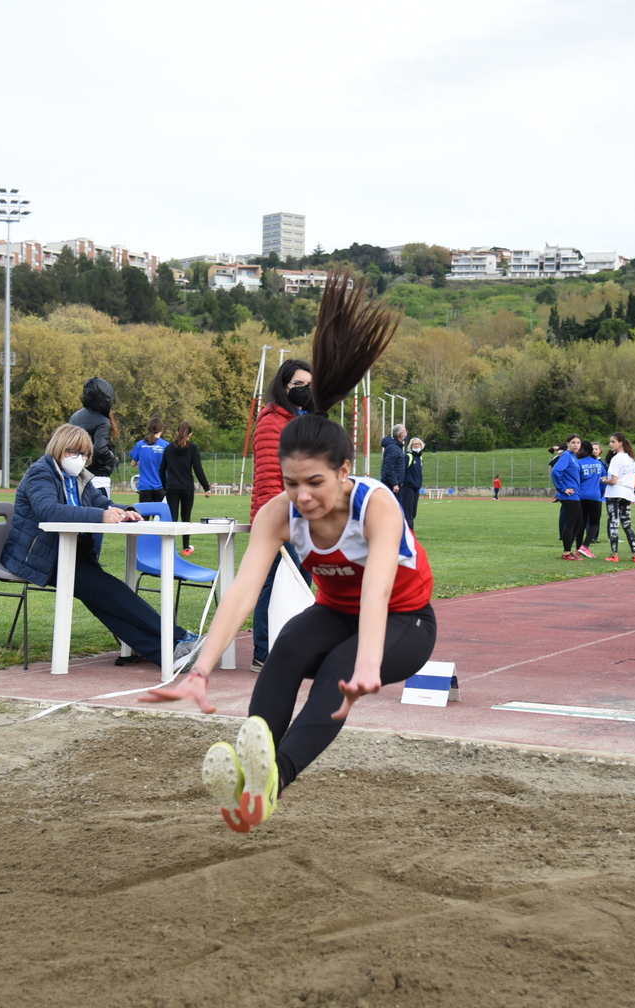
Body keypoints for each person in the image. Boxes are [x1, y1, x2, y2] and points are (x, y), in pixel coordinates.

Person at [142, 270, 433, 833]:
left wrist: (368, 663)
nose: (303, 497)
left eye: (316, 483)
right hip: (336, 613)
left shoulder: (377, 506)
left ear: (344, 472)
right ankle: (252, 779)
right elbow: (241, 593)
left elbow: (378, 593)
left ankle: (277, 780)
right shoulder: (280, 513)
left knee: (339, 667)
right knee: (288, 646)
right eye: (293, 482)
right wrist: (200, 670)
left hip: (405, 621)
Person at [0, 424, 200, 669]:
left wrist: (125, 511)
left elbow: (102, 502)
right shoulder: (41, 473)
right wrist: (100, 516)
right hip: (41, 556)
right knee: (111, 592)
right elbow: (48, 510)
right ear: (59, 448)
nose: (80, 459)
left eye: (85, 454)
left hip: (73, 552)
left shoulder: (80, 477)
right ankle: (179, 638)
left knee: (105, 600)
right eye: (74, 452)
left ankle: (167, 653)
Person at [249, 358, 315, 671]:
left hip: (308, 518)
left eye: (309, 385)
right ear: (283, 386)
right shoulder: (272, 421)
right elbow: (267, 477)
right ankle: (264, 652)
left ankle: (292, 648)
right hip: (281, 519)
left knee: (300, 584)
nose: (305, 390)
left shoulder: (305, 420)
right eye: (298, 385)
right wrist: (276, 523)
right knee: (274, 583)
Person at [161, 421, 212, 555]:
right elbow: (198, 469)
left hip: (172, 487)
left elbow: (162, 469)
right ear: (190, 434)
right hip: (187, 487)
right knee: (186, 517)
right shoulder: (193, 449)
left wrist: (165, 486)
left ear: (177, 432)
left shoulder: (169, 448)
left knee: (172, 518)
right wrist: (206, 487)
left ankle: (170, 547)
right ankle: (185, 548)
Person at [69, 377, 120, 495]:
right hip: (98, 478)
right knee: (102, 506)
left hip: (77, 475)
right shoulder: (102, 420)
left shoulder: (75, 417)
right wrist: (111, 458)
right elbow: (100, 449)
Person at [602, 433, 635, 563]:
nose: (610, 444)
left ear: (620, 443)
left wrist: (604, 480)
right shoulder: (631, 459)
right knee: (627, 524)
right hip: (627, 493)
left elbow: (614, 481)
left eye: (613, 441)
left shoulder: (616, 459)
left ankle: (614, 554)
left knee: (614, 522)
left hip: (615, 493)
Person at [552, 434, 584, 559]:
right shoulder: (566, 456)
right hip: (569, 496)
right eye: (573, 442)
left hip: (575, 495)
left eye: (578, 442)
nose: (576, 445)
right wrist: (562, 489)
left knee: (579, 523)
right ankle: (566, 552)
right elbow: (556, 471)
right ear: (567, 444)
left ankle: (568, 550)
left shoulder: (573, 457)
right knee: (570, 524)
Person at [575, 441, 606, 558]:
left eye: (580, 449)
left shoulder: (578, 464)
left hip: (581, 496)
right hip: (595, 497)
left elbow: (575, 480)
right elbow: (603, 480)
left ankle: (578, 548)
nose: (578, 451)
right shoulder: (599, 464)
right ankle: (585, 546)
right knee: (594, 523)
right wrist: (601, 493)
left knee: (581, 524)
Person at [130, 416, 167, 503]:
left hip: (145, 486)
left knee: (144, 512)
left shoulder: (140, 444)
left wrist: (142, 462)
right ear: (162, 429)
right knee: (159, 511)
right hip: (161, 486)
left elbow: (133, 463)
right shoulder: (166, 445)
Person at [401, 437, 424, 530]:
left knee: (413, 512)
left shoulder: (420, 458)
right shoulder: (408, 457)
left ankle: (408, 530)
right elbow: (402, 470)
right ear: (411, 446)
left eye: (418, 444)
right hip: (408, 487)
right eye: (414, 444)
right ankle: (409, 531)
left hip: (416, 488)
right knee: (408, 511)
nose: (416, 446)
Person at [379, 423, 407, 496]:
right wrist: (394, 483)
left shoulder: (397, 447)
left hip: (395, 484)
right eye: (405, 432)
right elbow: (389, 467)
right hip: (391, 485)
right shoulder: (393, 448)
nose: (406, 434)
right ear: (400, 434)